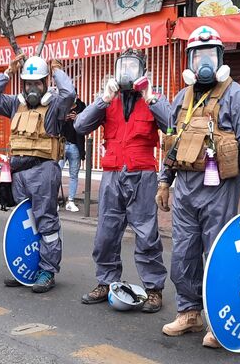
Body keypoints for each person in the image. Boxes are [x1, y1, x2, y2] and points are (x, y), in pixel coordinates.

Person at [149, 26, 240, 348]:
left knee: (218, 256)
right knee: (183, 253)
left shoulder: (237, 96)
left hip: (220, 190)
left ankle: (219, 321)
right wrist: (163, 182)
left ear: (221, 58)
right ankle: (189, 312)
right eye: (198, 56)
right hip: (185, 187)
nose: (204, 64)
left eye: (210, 55)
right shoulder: (181, 98)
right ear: (190, 61)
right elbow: (170, 143)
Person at [74, 49, 167, 312]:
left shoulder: (153, 97)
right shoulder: (107, 100)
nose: (127, 72)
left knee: (147, 235)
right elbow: (80, 126)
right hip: (113, 175)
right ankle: (106, 282)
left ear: (143, 71)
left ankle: (153, 289)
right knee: (106, 233)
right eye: (123, 67)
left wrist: (151, 98)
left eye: (133, 67)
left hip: (143, 175)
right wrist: (103, 99)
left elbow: (173, 124)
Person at [0, 54, 76, 293]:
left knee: (46, 222)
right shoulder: (16, 105)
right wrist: (8, 71)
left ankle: (47, 270)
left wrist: (57, 71)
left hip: (43, 171)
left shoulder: (55, 104)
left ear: (46, 83)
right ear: (22, 84)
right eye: (28, 83)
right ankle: (26, 268)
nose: (32, 87)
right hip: (18, 173)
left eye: (37, 83)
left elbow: (69, 94)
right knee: (24, 222)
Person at [59, 96, 86, 212]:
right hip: (62, 144)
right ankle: (53, 201)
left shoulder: (82, 107)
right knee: (55, 173)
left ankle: (70, 201)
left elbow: (86, 124)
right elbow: (54, 124)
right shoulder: (62, 107)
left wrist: (77, 118)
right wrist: (63, 120)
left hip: (76, 145)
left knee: (74, 175)